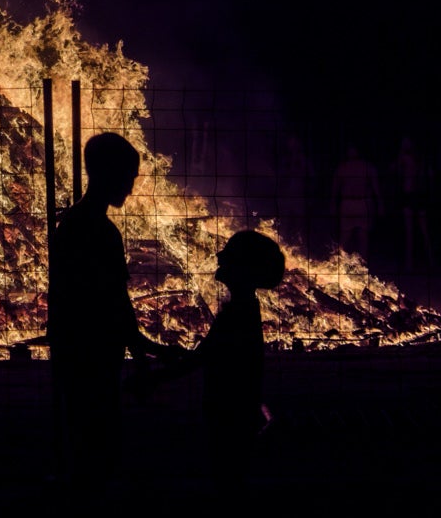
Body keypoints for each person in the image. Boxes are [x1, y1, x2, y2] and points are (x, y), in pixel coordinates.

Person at [47, 131, 181, 485]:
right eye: (129, 177)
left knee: (84, 431)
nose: (131, 187)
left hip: (75, 348)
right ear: (108, 173)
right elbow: (113, 302)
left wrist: (143, 350)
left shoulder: (74, 224)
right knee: (97, 436)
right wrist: (143, 352)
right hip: (90, 351)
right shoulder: (98, 231)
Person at [145, 230, 287, 491]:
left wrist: (154, 378)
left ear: (244, 268)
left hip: (229, 412)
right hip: (235, 411)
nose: (220, 256)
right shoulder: (243, 309)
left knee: (226, 476)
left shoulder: (238, 315)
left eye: (229, 253)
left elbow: (205, 356)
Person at [330, 144, 381, 262]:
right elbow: (335, 189)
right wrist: (333, 205)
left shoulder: (367, 167)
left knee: (363, 238)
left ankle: (363, 266)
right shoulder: (342, 168)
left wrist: (379, 205)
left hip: (362, 204)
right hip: (347, 205)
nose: (352, 152)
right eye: (350, 150)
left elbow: (375, 188)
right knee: (345, 238)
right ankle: (340, 265)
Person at [391, 135, 435, 272]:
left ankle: (424, 262)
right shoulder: (412, 159)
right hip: (413, 195)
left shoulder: (411, 159)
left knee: (418, 231)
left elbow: (395, 170)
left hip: (414, 195)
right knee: (415, 231)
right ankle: (416, 263)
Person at [278, 134, 313, 248]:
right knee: (284, 224)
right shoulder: (285, 160)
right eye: (290, 144)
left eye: (294, 144)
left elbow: (311, 176)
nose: (292, 146)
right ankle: (281, 245)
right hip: (285, 197)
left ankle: (300, 247)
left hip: (299, 197)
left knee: (299, 225)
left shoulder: (303, 160)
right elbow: (280, 176)